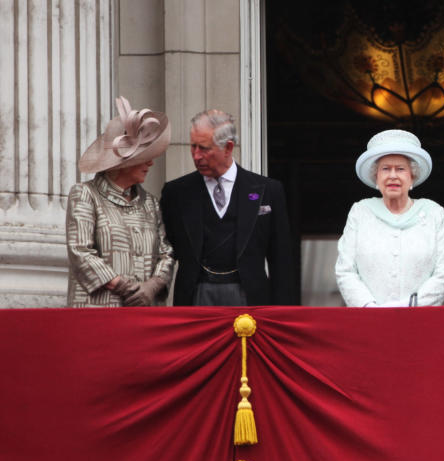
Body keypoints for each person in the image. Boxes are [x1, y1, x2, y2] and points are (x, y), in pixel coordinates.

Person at [160, 110, 296, 306]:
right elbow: (166, 252)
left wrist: (282, 315)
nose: (196, 156)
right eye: (193, 146)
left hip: (251, 298)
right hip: (195, 297)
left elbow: (281, 259)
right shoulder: (176, 193)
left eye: (204, 148)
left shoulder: (269, 191)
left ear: (228, 148)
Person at [66, 97, 175, 307]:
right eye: (144, 156)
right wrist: (122, 286)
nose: (151, 162)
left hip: (144, 314)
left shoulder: (150, 203)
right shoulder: (85, 194)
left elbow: (166, 252)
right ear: (122, 163)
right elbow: (80, 250)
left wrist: (152, 286)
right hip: (99, 312)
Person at [336, 130, 444, 307]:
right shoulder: (360, 212)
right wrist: (369, 307)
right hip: (369, 320)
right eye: (385, 169)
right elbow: (345, 270)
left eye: (400, 169)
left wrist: (410, 306)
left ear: (412, 176)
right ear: (376, 176)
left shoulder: (433, 213)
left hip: (419, 319)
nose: (393, 175)